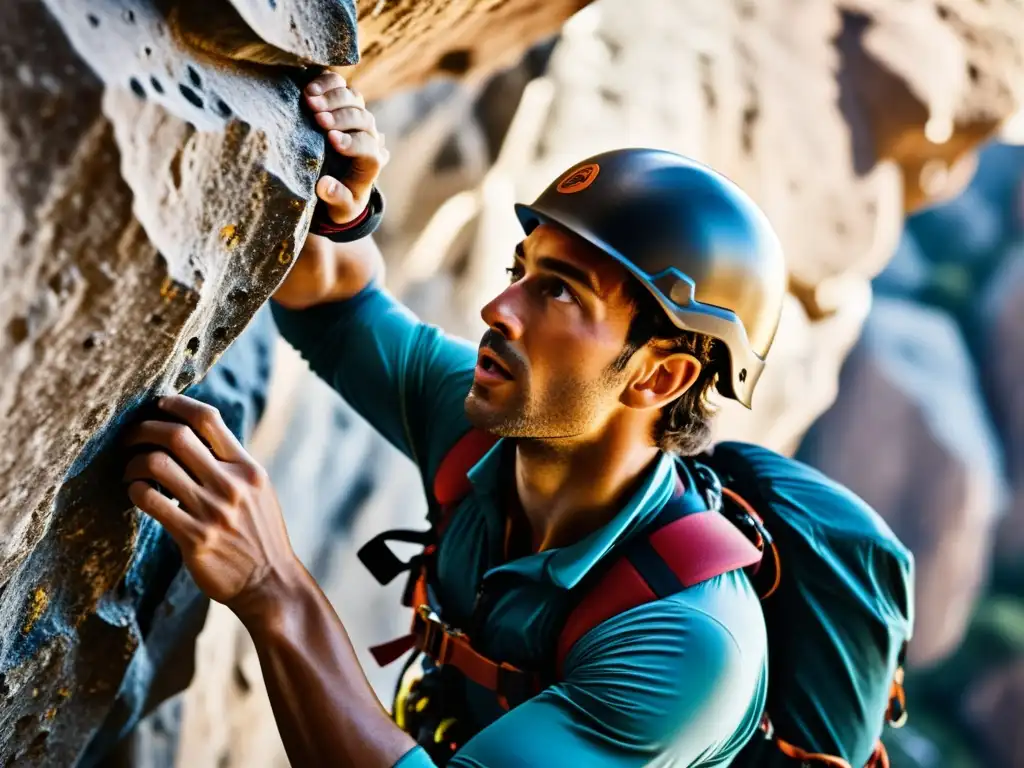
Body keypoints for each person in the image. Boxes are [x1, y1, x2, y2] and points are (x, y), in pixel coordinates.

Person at [122, 70, 788, 767]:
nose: (499, 310)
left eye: (559, 293)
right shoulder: (495, 432)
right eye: (519, 270)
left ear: (660, 376)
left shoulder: (688, 644)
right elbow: (336, 308)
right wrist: (333, 201)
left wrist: (272, 586)